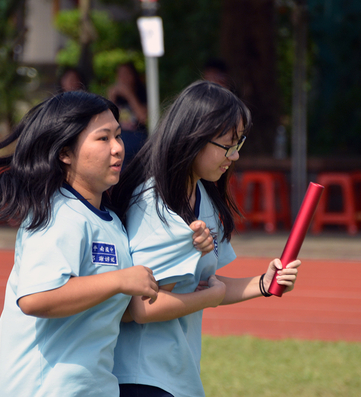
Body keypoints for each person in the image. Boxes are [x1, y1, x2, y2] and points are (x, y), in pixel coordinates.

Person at [0, 91, 212, 396]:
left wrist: (188, 246)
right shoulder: (57, 213)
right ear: (65, 152)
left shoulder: (111, 222)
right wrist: (119, 280)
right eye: (103, 139)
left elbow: (121, 309)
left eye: (118, 136)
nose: (118, 149)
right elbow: (36, 298)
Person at [111, 80, 301, 397]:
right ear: (193, 137)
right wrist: (208, 299)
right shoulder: (153, 204)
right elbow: (143, 308)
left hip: (176, 373)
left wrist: (264, 284)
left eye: (239, 144)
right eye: (228, 144)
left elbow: (206, 282)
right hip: (143, 377)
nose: (235, 156)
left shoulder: (201, 195)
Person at [107, 62, 148, 168]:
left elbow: (143, 118)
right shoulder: (115, 96)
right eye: (120, 75)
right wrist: (111, 99)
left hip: (137, 136)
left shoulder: (142, 94)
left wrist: (129, 94)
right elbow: (107, 121)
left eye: (127, 74)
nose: (123, 78)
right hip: (119, 136)